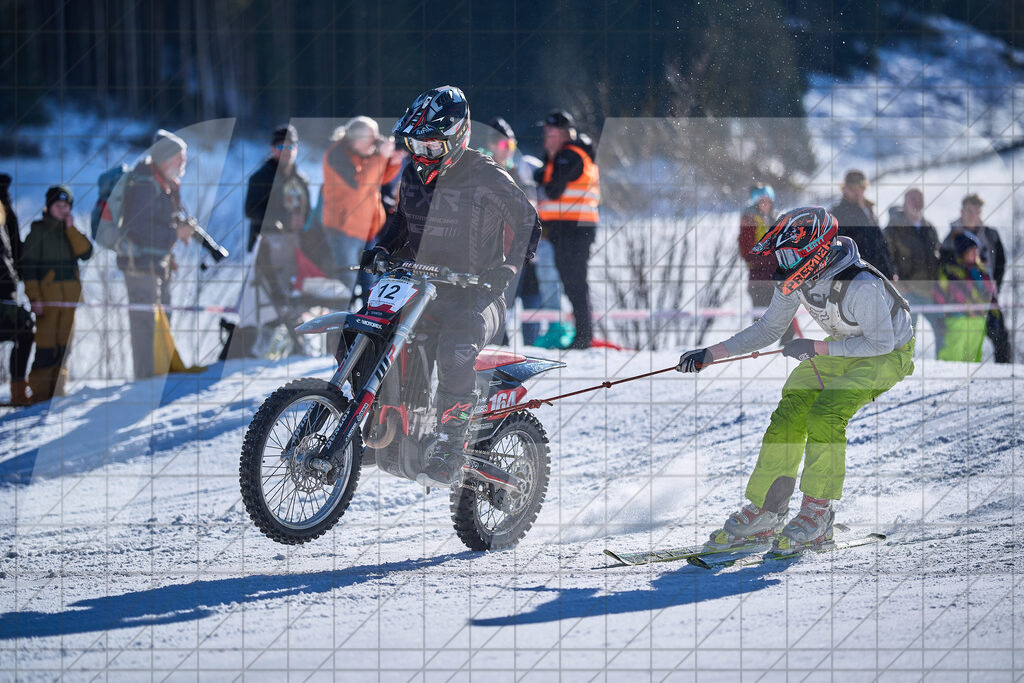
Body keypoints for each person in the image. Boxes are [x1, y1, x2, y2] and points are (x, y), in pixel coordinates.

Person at [677, 207, 914, 551]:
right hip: (845, 346)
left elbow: (881, 344)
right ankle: (768, 510)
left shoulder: (859, 285)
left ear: (817, 250)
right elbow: (768, 329)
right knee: (791, 410)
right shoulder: (797, 281)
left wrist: (816, 347)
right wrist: (711, 354)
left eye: (790, 255)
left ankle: (817, 513)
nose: (784, 263)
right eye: (781, 255)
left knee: (826, 413)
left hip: (888, 353)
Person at [368, 85, 541, 488]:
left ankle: (451, 444)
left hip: (477, 293)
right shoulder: (411, 173)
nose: (422, 154)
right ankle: (366, 412)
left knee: (455, 347)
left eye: (431, 145)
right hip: (421, 288)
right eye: (415, 144)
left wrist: (507, 269)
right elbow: (401, 223)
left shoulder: (486, 176)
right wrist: (380, 249)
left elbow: (528, 222)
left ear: (458, 136)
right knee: (367, 326)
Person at [117, 129, 195, 380]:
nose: (183, 162)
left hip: (158, 264)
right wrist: (176, 233)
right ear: (165, 158)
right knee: (145, 325)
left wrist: (174, 240)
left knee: (161, 322)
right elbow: (139, 228)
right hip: (140, 266)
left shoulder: (165, 185)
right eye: (179, 157)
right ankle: (145, 381)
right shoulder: (145, 184)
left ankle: (158, 377)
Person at [478, 116, 562, 347]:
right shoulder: (483, 173)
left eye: (512, 144)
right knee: (499, 303)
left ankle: (532, 347)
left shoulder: (518, 173)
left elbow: (532, 210)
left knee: (531, 298)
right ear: (491, 145)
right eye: (503, 144)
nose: (509, 149)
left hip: (522, 250)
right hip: (496, 253)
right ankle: (498, 344)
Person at [534, 110, 600, 350]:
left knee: (575, 282)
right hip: (567, 228)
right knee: (572, 282)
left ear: (563, 133)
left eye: (550, 133)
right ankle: (582, 334)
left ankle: (583, 336)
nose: (546, 138)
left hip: (574, 228)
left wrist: (547, 165)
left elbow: (553, 190)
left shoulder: (569, 155)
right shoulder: (565, 156)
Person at [20, 186, 93, 401]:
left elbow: (86, 252)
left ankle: (58, 393)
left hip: (69, 302)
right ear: (48, 207)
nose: (63, 210)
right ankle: (40, 395)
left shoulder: (70, 232)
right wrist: (34, 298)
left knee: (64, 348)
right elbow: (28, 270)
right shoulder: (38, 233)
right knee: (46, 348)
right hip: (47, 302)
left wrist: (71, 229)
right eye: (58, 205)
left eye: (66, 206)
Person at [321, 117, 404, 301]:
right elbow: (360, 186)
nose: (377, 142)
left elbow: (377, 180)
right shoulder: (337, 156)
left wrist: (392, 162)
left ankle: (365, 318)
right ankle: (339, 319)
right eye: (372, 138)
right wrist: (381, 156)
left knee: (371, 287)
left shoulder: (362, 153)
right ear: (356, 139)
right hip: (344, 231)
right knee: (346, 286)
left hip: (367, 230)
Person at [940, 194, 1010, 363]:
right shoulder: (951, 238)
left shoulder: (991, 235)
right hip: (960, 301)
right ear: (962, 211)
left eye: (977, 211)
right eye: (969, 211)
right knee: (959, 340)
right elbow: (943, 268)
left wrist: (994, 288)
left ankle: (1004, 370)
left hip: (987, 296)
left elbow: (1000, 262)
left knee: (1000, 335)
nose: (973, 215)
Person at [884, 188, 944, 356]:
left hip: (929, 292)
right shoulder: (893, 229)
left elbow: (938, 257)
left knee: (942, 329)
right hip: (906, 293)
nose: (917, 203)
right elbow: (886, 259)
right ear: (904, 203)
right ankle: (905, 367)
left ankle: (943, 366)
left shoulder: (929, 228)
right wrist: (895, 283)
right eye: (913, 199)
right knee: (907, 337)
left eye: (920, 199)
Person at [738, 184, 797, 345]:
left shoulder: (774, 220)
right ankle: (755, 350)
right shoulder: (750, 221)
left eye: (768, 201)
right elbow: (748, 253)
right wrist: (773, 258)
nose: (766, 205)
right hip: (760, 280)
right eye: (762, 201)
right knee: (761, 322)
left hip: (777, 279)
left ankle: (786, 348)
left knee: (786, 320)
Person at [244, 124, 310, 254]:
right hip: (265, 247)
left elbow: (307, 212)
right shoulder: (260, 178)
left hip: (296, 247)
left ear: (296, 148)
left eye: (290, 146)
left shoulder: (301, 180)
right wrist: (286, 219)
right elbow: (251, 211)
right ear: (272, 149)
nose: (286, 151)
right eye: (281, 147)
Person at [933, 232, 995, 362]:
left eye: (976, 250)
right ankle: (947, 371)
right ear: (963, 252)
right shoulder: (950, 269)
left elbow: (989, 291)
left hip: (978, 317)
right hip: (957, 317)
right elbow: (939, 291)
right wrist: (944, 310)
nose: (975, 254)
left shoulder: (980, 270)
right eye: (971, 250)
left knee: (973, 353)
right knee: (954, 351)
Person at [830, 170, 896, 279]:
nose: (857, 191)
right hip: (857, 277)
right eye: (852, 188)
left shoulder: (868, 210)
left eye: (860, 187)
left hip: (877, 275)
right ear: (844, 188)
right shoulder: (838, 214)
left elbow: (880, 244)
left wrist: (890, 271)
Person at [0, 200, 34, 405]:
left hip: (7, 296)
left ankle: (18, 391)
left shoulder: (4, 220)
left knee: (25, 329)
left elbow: (10, 255)